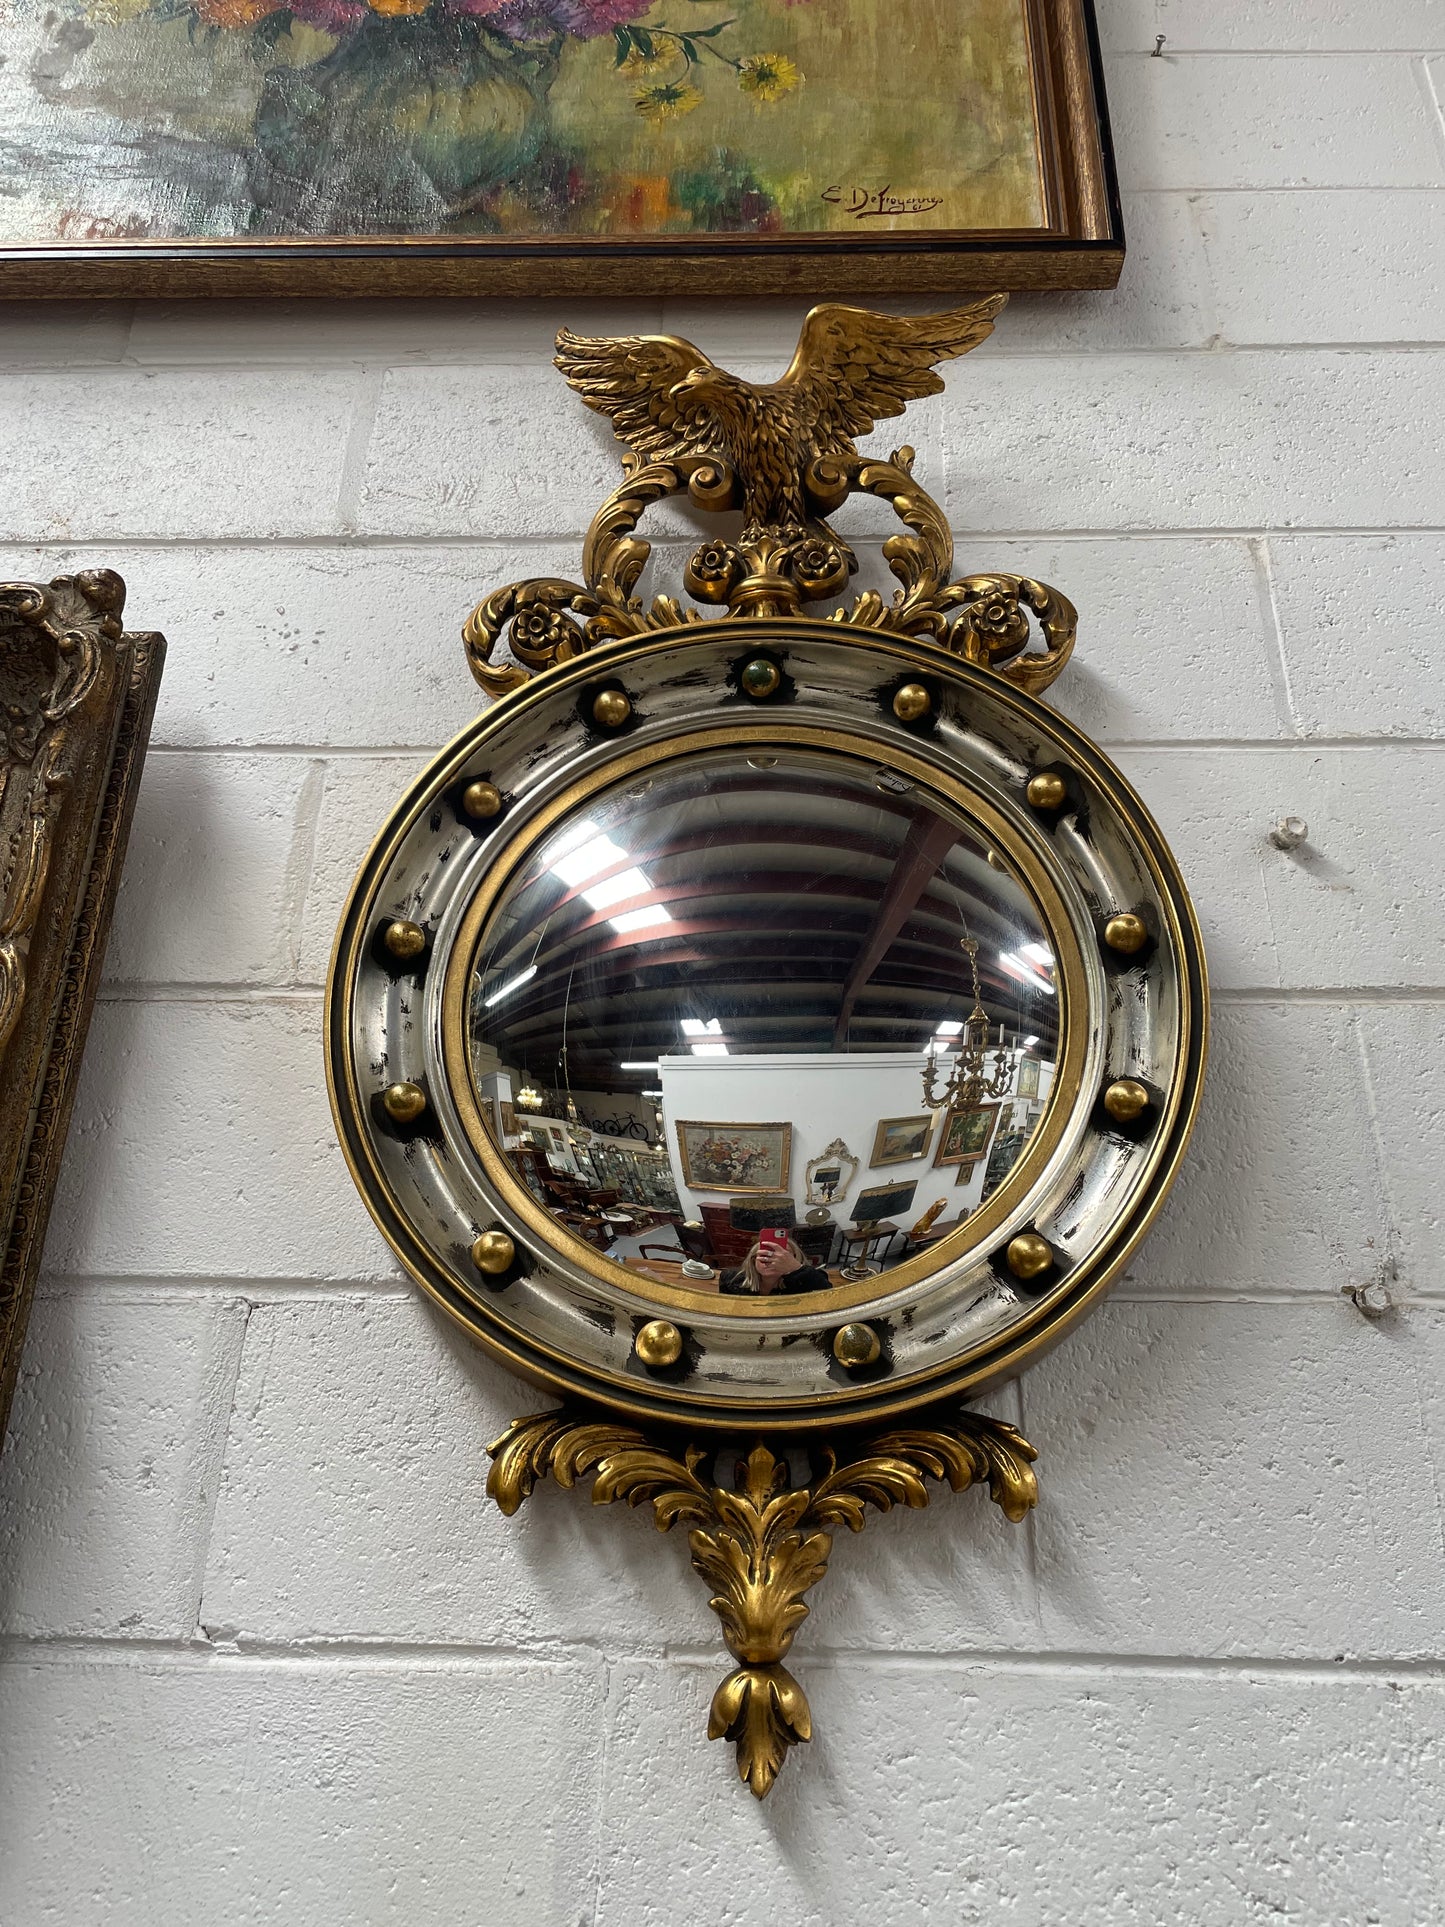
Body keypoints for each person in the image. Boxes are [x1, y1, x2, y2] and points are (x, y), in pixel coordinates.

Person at [719, 1236, 829, 1296]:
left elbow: (827, 1296)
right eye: (765, 1255)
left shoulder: (809, 1280)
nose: (772, 1260)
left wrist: (796, 1269)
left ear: (794, 1259)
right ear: (753, 1260)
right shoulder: (731, 1279)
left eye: (782, 1256)